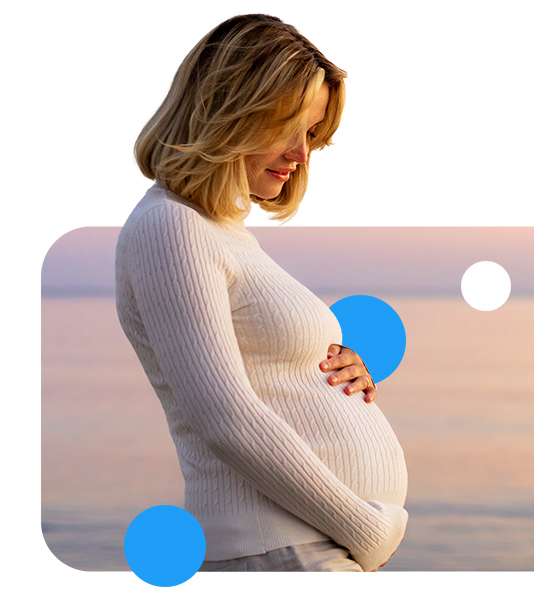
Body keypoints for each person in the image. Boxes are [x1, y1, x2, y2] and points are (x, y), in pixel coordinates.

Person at [115, 14, 408, 572]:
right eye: (287, 127)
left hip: (305, 547)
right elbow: (224, 418)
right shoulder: (169, 227)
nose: (301, 154)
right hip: (279, 550)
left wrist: (341, 374)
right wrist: (365, 527)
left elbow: (267, 373)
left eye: (313, 133)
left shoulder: (220, 231)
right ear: (229, 112)